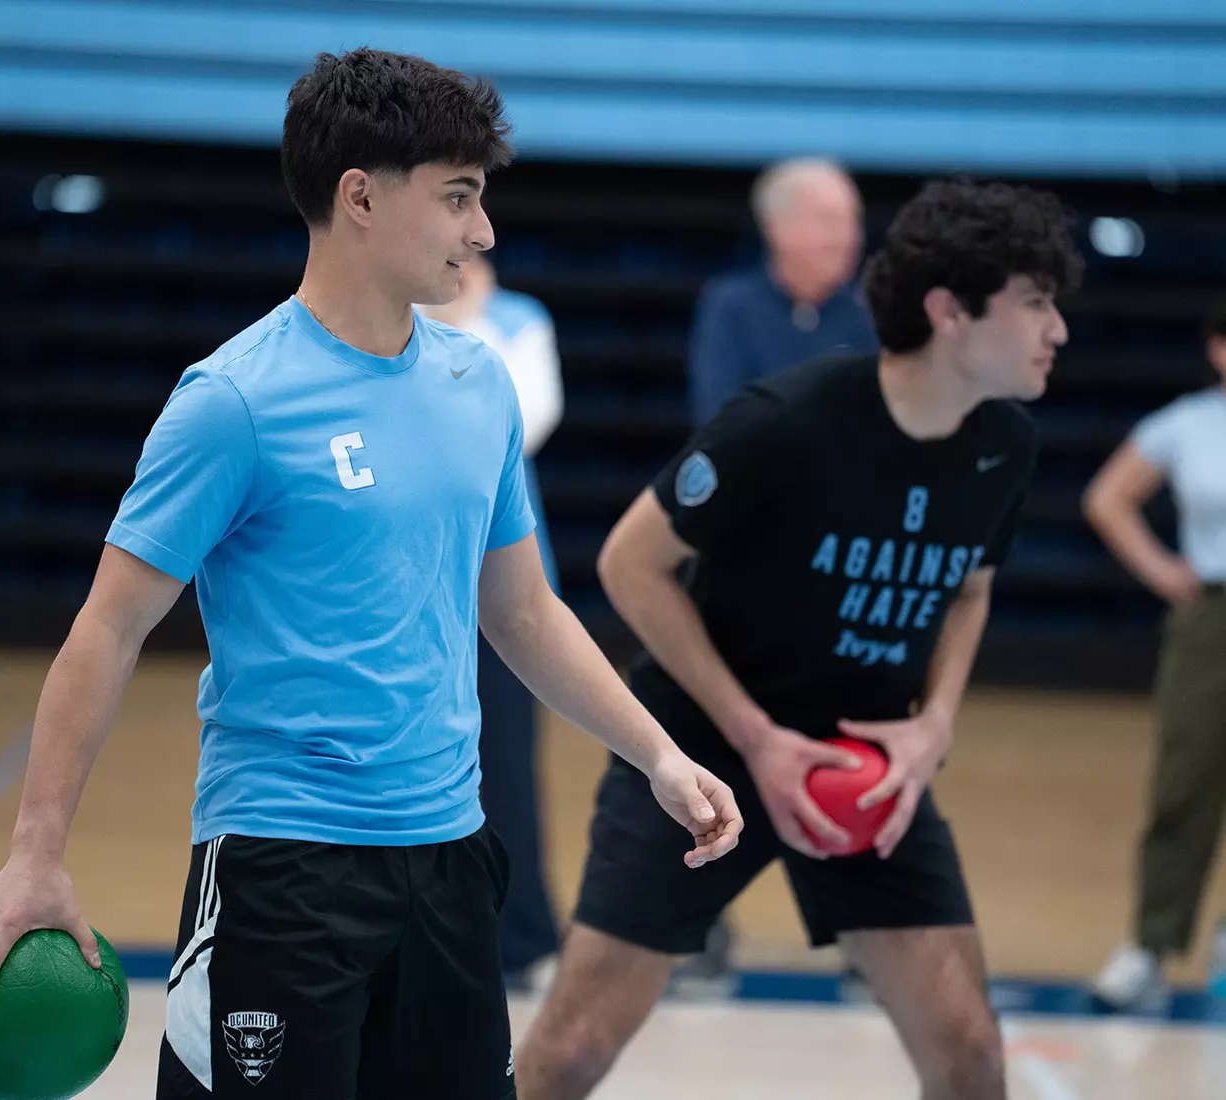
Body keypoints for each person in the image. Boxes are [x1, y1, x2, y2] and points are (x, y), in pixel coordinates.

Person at [0, 49, 743, 1100]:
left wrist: (656, 755)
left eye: (481, 197)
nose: (482, 231)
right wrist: (37, 851)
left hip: (451, 862)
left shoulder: (476, 382)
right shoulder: (233, 401)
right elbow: (108, 626)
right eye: (457, 197)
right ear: (358, 196)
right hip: (281, 869)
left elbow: (523, 608)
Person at [517, 179, 1083, 1100]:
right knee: (571, 1050)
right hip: (701, 752)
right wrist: (754, 738)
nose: (1055, 329)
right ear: (949, 311)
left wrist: (934, 723)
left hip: (865, 760)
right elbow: (629, 565)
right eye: (1033, 302)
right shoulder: (786, 419)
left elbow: (969, 590)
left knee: (970, 1055)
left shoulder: (1004, 446)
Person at [421, 255, 565, 983]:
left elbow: (523, 419)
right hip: (418, 585)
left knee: (506, 768)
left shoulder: (519, 318)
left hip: (506, 589)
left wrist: (465, 322)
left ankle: (527, 939)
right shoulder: (402, 317)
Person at [1085, 298, 1226, 1011]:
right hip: (1209, 615)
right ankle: (1149, 944)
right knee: (1185, 782)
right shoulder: (1187, 424)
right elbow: (1106, 498)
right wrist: (1162, 570)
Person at [687, 158, 877, 426]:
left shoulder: (871, 311)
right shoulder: (731, 307)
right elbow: (718, 417)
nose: (847, 239)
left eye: (853, 221)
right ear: (778, 228)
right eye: (829, 221)